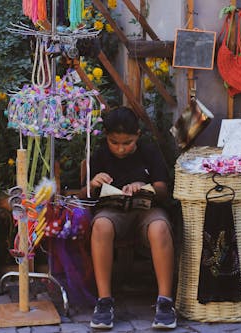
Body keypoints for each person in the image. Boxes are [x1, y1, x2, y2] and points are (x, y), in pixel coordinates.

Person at [81, 107, 176, 329]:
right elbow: (83, 194)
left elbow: (163, 189)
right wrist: (93, 183)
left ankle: (165, 301)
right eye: (115, 142)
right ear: (106, 136)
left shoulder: (149, 152)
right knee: (101, 226)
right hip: (112, 212)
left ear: (138, 136)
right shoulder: (100, 154)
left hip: (147, 211)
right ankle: (104, 301)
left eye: (128, 143)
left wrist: (144, 186)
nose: (121, 149)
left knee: (160, 227)